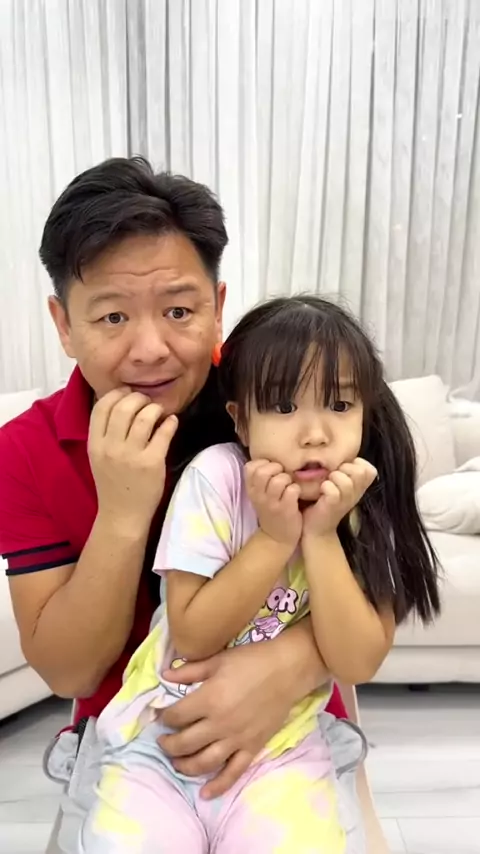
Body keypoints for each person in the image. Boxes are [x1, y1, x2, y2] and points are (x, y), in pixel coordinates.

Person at [0, 158, 349, 835]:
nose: (151, 348)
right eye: (112, 316)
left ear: (218, 309)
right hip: (125, 747)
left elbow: (382, 575)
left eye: (180, 311)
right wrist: (122, 517)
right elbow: (69, 672)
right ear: (64, 324)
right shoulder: (23, 451)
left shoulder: (280, 406)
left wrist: (289, 664)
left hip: (293, 727)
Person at [79, 296, 440, 853]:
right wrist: (274, 538)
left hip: (283, 752)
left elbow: (357, 662)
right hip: (159, 744)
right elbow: (192, 635)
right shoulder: (217, 478)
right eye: (283, 406)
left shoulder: (362, 500)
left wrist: (319, 536)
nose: (315, 433)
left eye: (340, 404)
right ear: (241, 419)